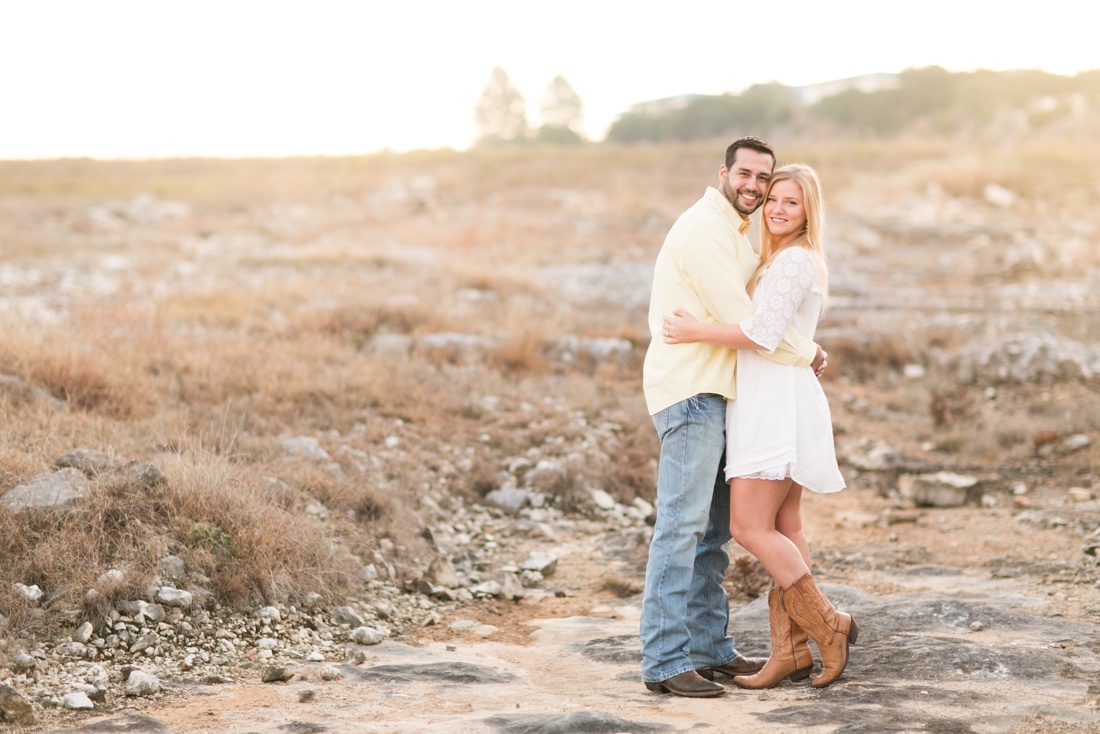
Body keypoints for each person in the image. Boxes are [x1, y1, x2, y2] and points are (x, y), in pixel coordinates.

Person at [640, 138, 825, 698]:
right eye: (744, 173)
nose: (754, 185)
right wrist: (809, 352)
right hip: (692, 389)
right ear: (724, 172)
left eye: (762, 178)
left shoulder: (740, 234)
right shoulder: (705, 230)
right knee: (681, 528)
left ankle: (709, 649)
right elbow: (747, 321)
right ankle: (665, 661)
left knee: (712, 535)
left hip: (721, 394)